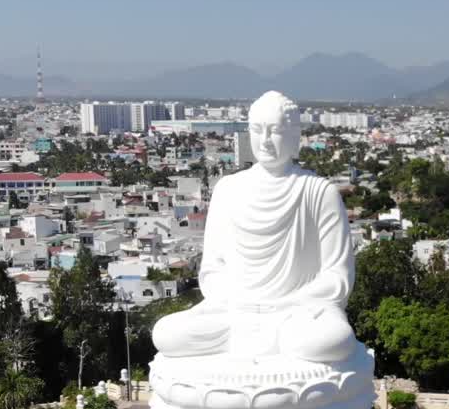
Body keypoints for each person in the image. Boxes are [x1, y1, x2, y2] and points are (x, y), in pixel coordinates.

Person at [151, 91, 358, 364]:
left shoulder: (319, 192)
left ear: (295, 136)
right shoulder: (228, 189)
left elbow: (337, 277)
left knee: (329, 341)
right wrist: (242, 302)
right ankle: (262, 339)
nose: (266, 140)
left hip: (297, 313)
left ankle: (277, 338)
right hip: (235, 311)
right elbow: (212, 270)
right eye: (258, 130)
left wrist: (286, 303)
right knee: (166, 333)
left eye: (276, 131)